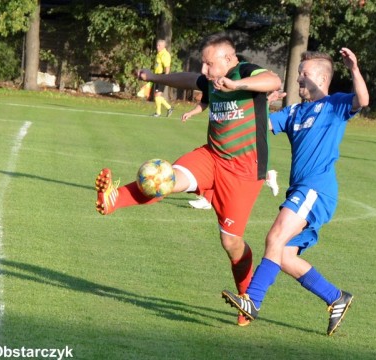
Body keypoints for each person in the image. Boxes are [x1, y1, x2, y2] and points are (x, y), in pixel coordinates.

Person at [95, 33, 282, 326]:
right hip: (212, 156)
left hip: (244, 172)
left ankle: (247, 300)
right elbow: (188, 79)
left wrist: (237, 85)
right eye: (204, 65)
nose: (205, 71)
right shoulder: (211, 78)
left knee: (231, 243)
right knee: (165, 178)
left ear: (228, 59)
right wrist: (155, 77)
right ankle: (113, 200)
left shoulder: (244, 72)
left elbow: (273, 81)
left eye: (209, 64)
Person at [221, 47, 369, 336]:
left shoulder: (335, 105)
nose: (298, 78)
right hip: (299, 191)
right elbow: (256, 127)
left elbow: (363, 100)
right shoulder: (294, 112)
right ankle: (336, 297)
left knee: (274, 237)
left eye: (304, 73)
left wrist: (353, 68)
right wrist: (262, 102)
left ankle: (253, 301)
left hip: (316, 190)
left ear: (322, 79)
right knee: (285, 255)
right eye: (299, 73)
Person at [151, 39, 174, 117]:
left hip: (162, 76)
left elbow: (167, 67)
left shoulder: (165, 54)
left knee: (157, 95)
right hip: (158, 76)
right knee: (157, 95)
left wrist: (165, 78)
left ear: (164, 46)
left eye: (159, 45)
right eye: (157, 45)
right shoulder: (159, 54)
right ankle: (169, 108)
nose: (157, 47)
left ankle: (158, 113)